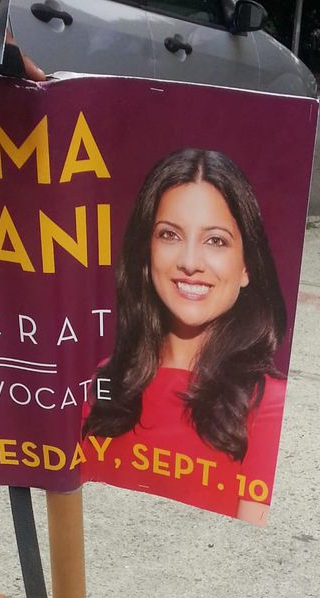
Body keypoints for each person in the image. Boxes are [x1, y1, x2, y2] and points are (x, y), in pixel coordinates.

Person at [80, 148, 288, 522]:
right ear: (146, 254)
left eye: (216, 241)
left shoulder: (269, 402)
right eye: (170, 234)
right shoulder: (104, 380)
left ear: (246, 267)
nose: (190, 262)